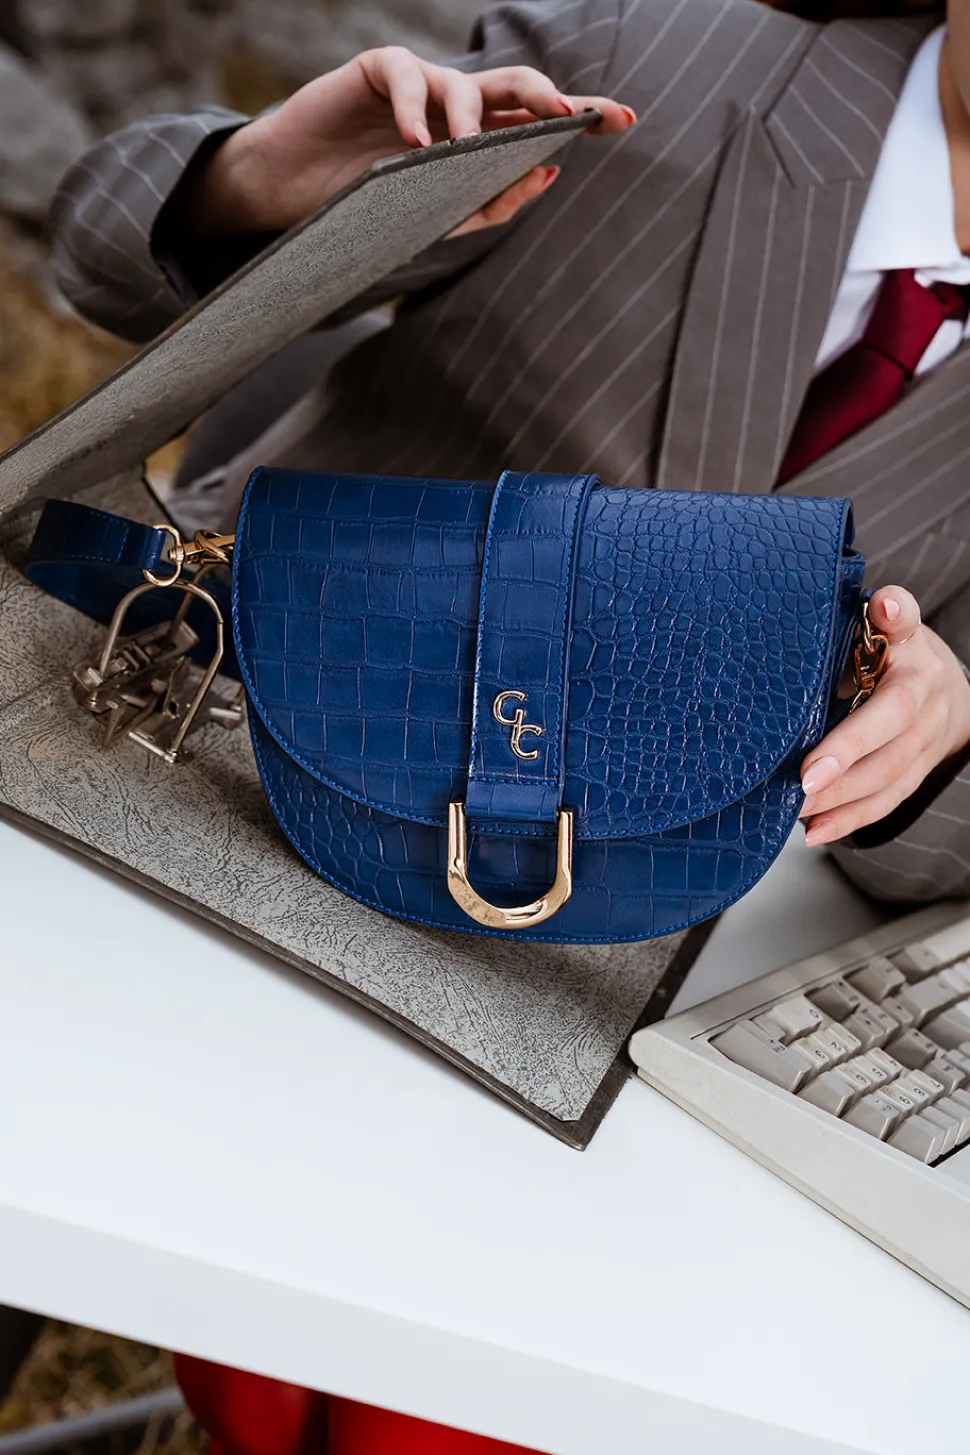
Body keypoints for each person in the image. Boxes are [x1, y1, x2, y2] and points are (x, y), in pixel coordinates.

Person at [46, 2, 970, 1449]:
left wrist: (936, 741)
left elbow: (944, 839)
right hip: (201, 768)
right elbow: (99, 247)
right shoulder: (651, 53)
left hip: (626, 965)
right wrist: (254, 187)